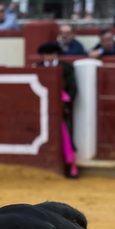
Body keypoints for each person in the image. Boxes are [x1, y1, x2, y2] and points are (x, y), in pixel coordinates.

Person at [35, 42, 78, 178]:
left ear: (56, 54)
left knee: (67, 135)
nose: (49, 56)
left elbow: (73, 89)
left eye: (52, 53)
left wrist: (65, 103)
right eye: (46, 54)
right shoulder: (38, 67)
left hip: (62, 109)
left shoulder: (66, 68)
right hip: (42, 110)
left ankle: (72, 167)